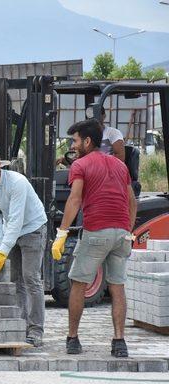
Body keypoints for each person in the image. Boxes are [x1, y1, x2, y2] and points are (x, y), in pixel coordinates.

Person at [52, 119, 136, 358]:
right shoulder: (120, 166)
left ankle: (73, 338)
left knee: (78, 283)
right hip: (121, 233)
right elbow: (131, 201)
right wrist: (128, 231)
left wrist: (62, 233)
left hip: (97, 231)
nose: (74, 146)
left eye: (75, 141)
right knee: (117, 287)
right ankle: (119, 342)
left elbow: (75, 199)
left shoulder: (81, 165)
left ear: (88, 141)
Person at [0, 146, 48, 347]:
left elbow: (16, 219)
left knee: (31, 278)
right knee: (15, 281)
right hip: (11, 230)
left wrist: (3, 250)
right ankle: (20, 326)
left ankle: (36, 330)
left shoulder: (17, 182)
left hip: (32, 227)